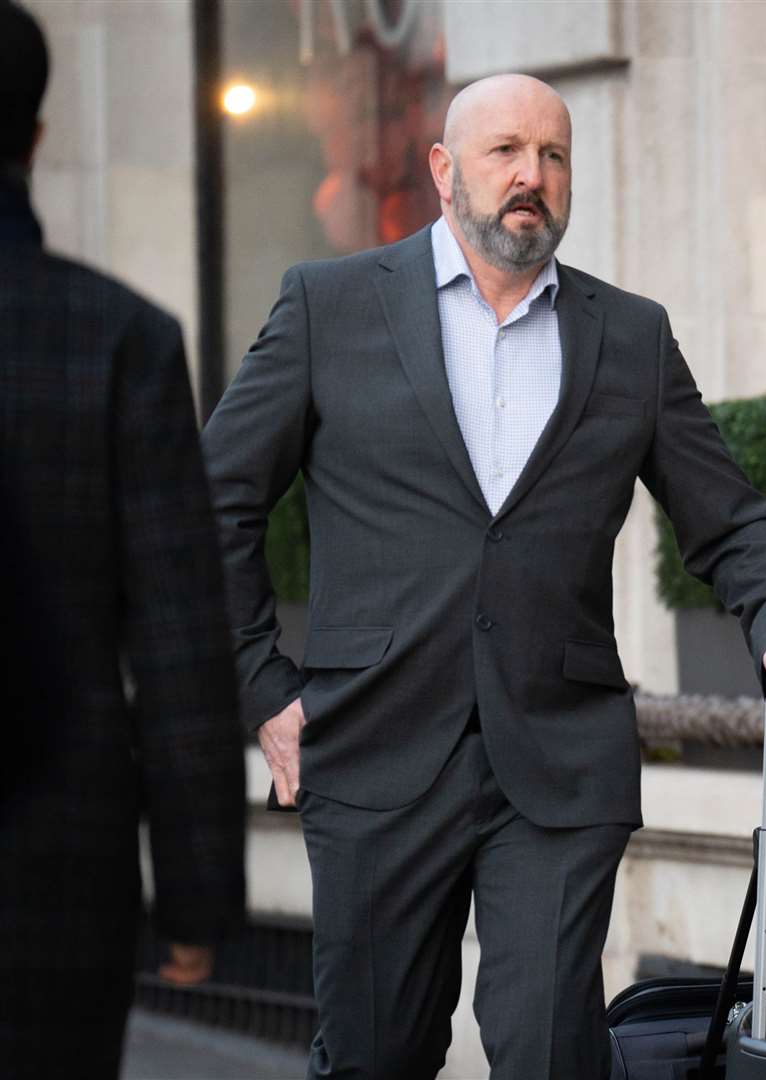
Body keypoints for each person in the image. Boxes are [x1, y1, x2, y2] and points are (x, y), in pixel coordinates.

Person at [201, 73, 766, 1079]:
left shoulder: (627, 335)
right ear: (445, 170)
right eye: (504, 152)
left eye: (552, 155)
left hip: (559, 760)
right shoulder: (328, 307)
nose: (530, 177)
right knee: (376, 1054)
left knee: (550, 1050)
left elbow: (729, 518)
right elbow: (213, 503)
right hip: (371, 753)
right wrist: (263, 690)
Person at [0, 3, 246, 1075]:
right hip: (59, 863)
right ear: (37, 138)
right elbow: (180, 646)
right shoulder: (122, 340)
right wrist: (197, 894)